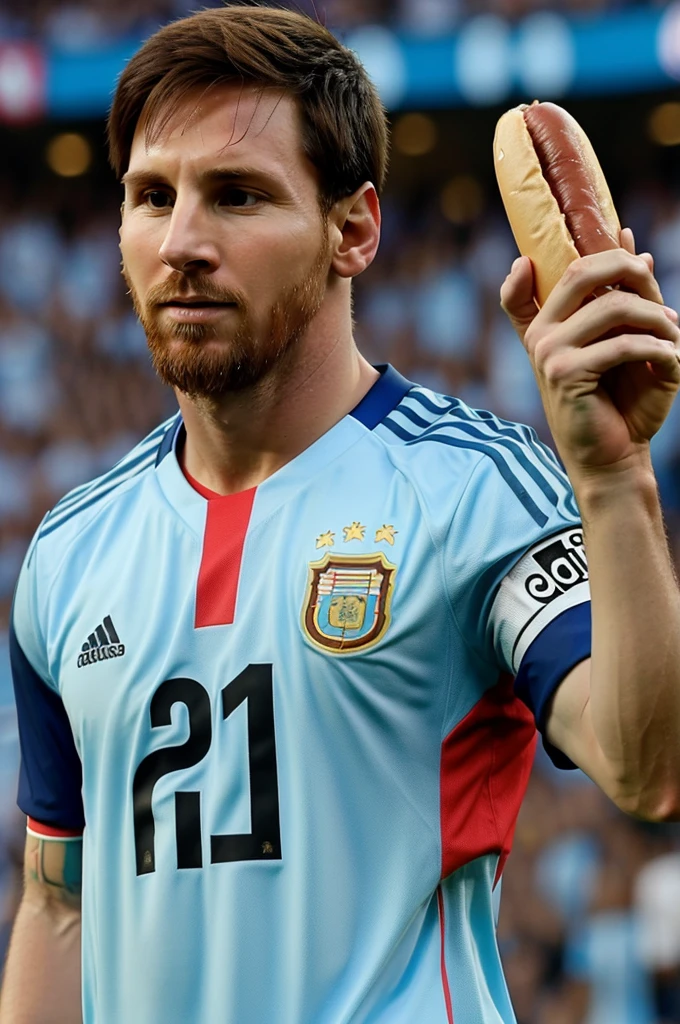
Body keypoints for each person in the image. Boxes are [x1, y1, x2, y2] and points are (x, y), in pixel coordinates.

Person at [2, 6, 680, 1023]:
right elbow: (58, 904)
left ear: (353, 229)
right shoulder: (67, 551)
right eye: (151, 196)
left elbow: (645, 763)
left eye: (236, 195)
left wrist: (615, 479)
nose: (181, 241)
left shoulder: (476, 491)